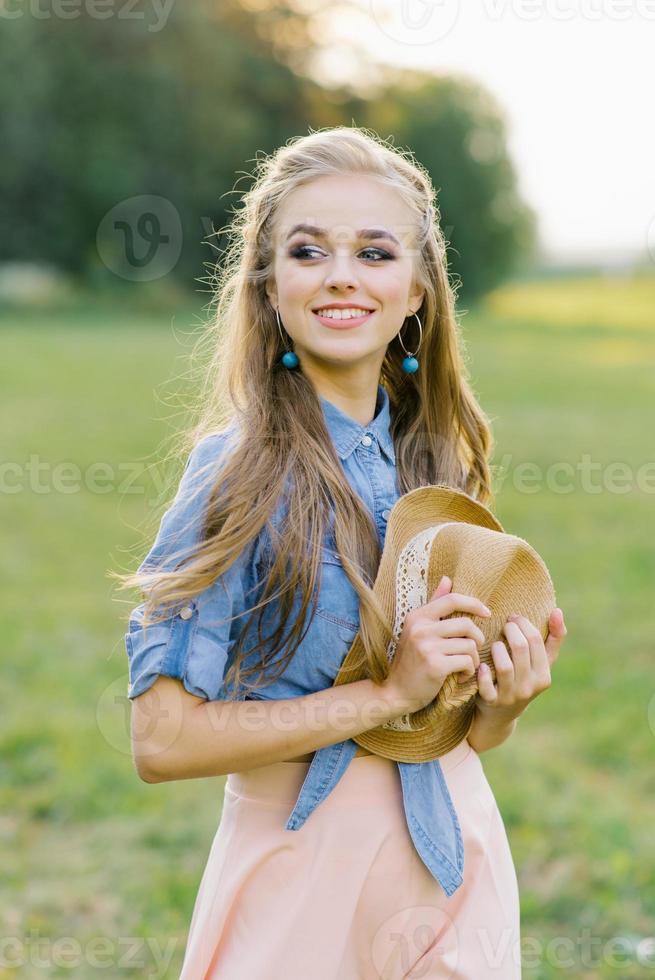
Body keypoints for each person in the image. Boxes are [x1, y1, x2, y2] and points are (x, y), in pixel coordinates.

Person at [117, 126, 567, 979]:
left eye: (373, 250)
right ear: (269, 286)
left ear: (416, 291)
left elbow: (457, 731)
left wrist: (503, 703)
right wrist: (386, 691)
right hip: (306, 883)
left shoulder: (436, 459)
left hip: (455, 867)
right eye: (307, 250)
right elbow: (162, 742)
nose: (340, 276)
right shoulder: (236, 472)